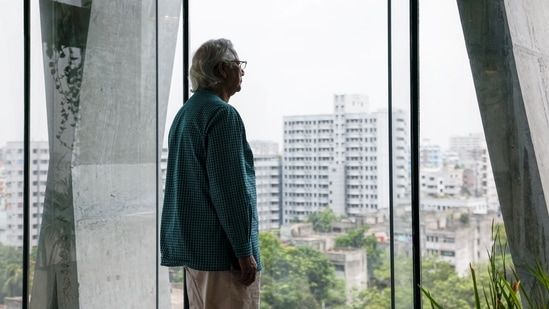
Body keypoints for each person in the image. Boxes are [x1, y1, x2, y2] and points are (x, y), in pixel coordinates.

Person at [160, 38, 262, 308]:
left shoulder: (186, 113)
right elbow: (230, 190)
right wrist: (244, 251)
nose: (242, 71)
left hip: (196, 252)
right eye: (238, 64)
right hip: (223, 257)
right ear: (221, 70)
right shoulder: (222, 114)